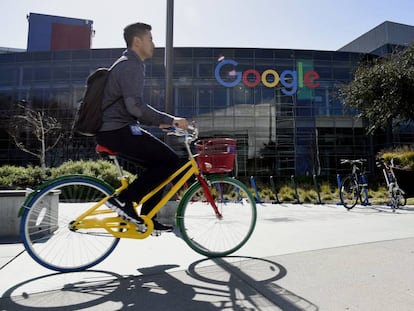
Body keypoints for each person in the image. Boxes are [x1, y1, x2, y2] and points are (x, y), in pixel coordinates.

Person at [96, 22, 188, 231]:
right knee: (171, 161)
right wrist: (170, 119)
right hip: (117, 131)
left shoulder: (127, 63)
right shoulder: (131, 64)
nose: (153, 44)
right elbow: (135, 106)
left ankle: (148, 217)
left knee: (159, 165)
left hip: (117, 130)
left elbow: (131, 108)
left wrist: (160, 122)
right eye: (150, 39)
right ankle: (123, 200)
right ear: (137, 41)